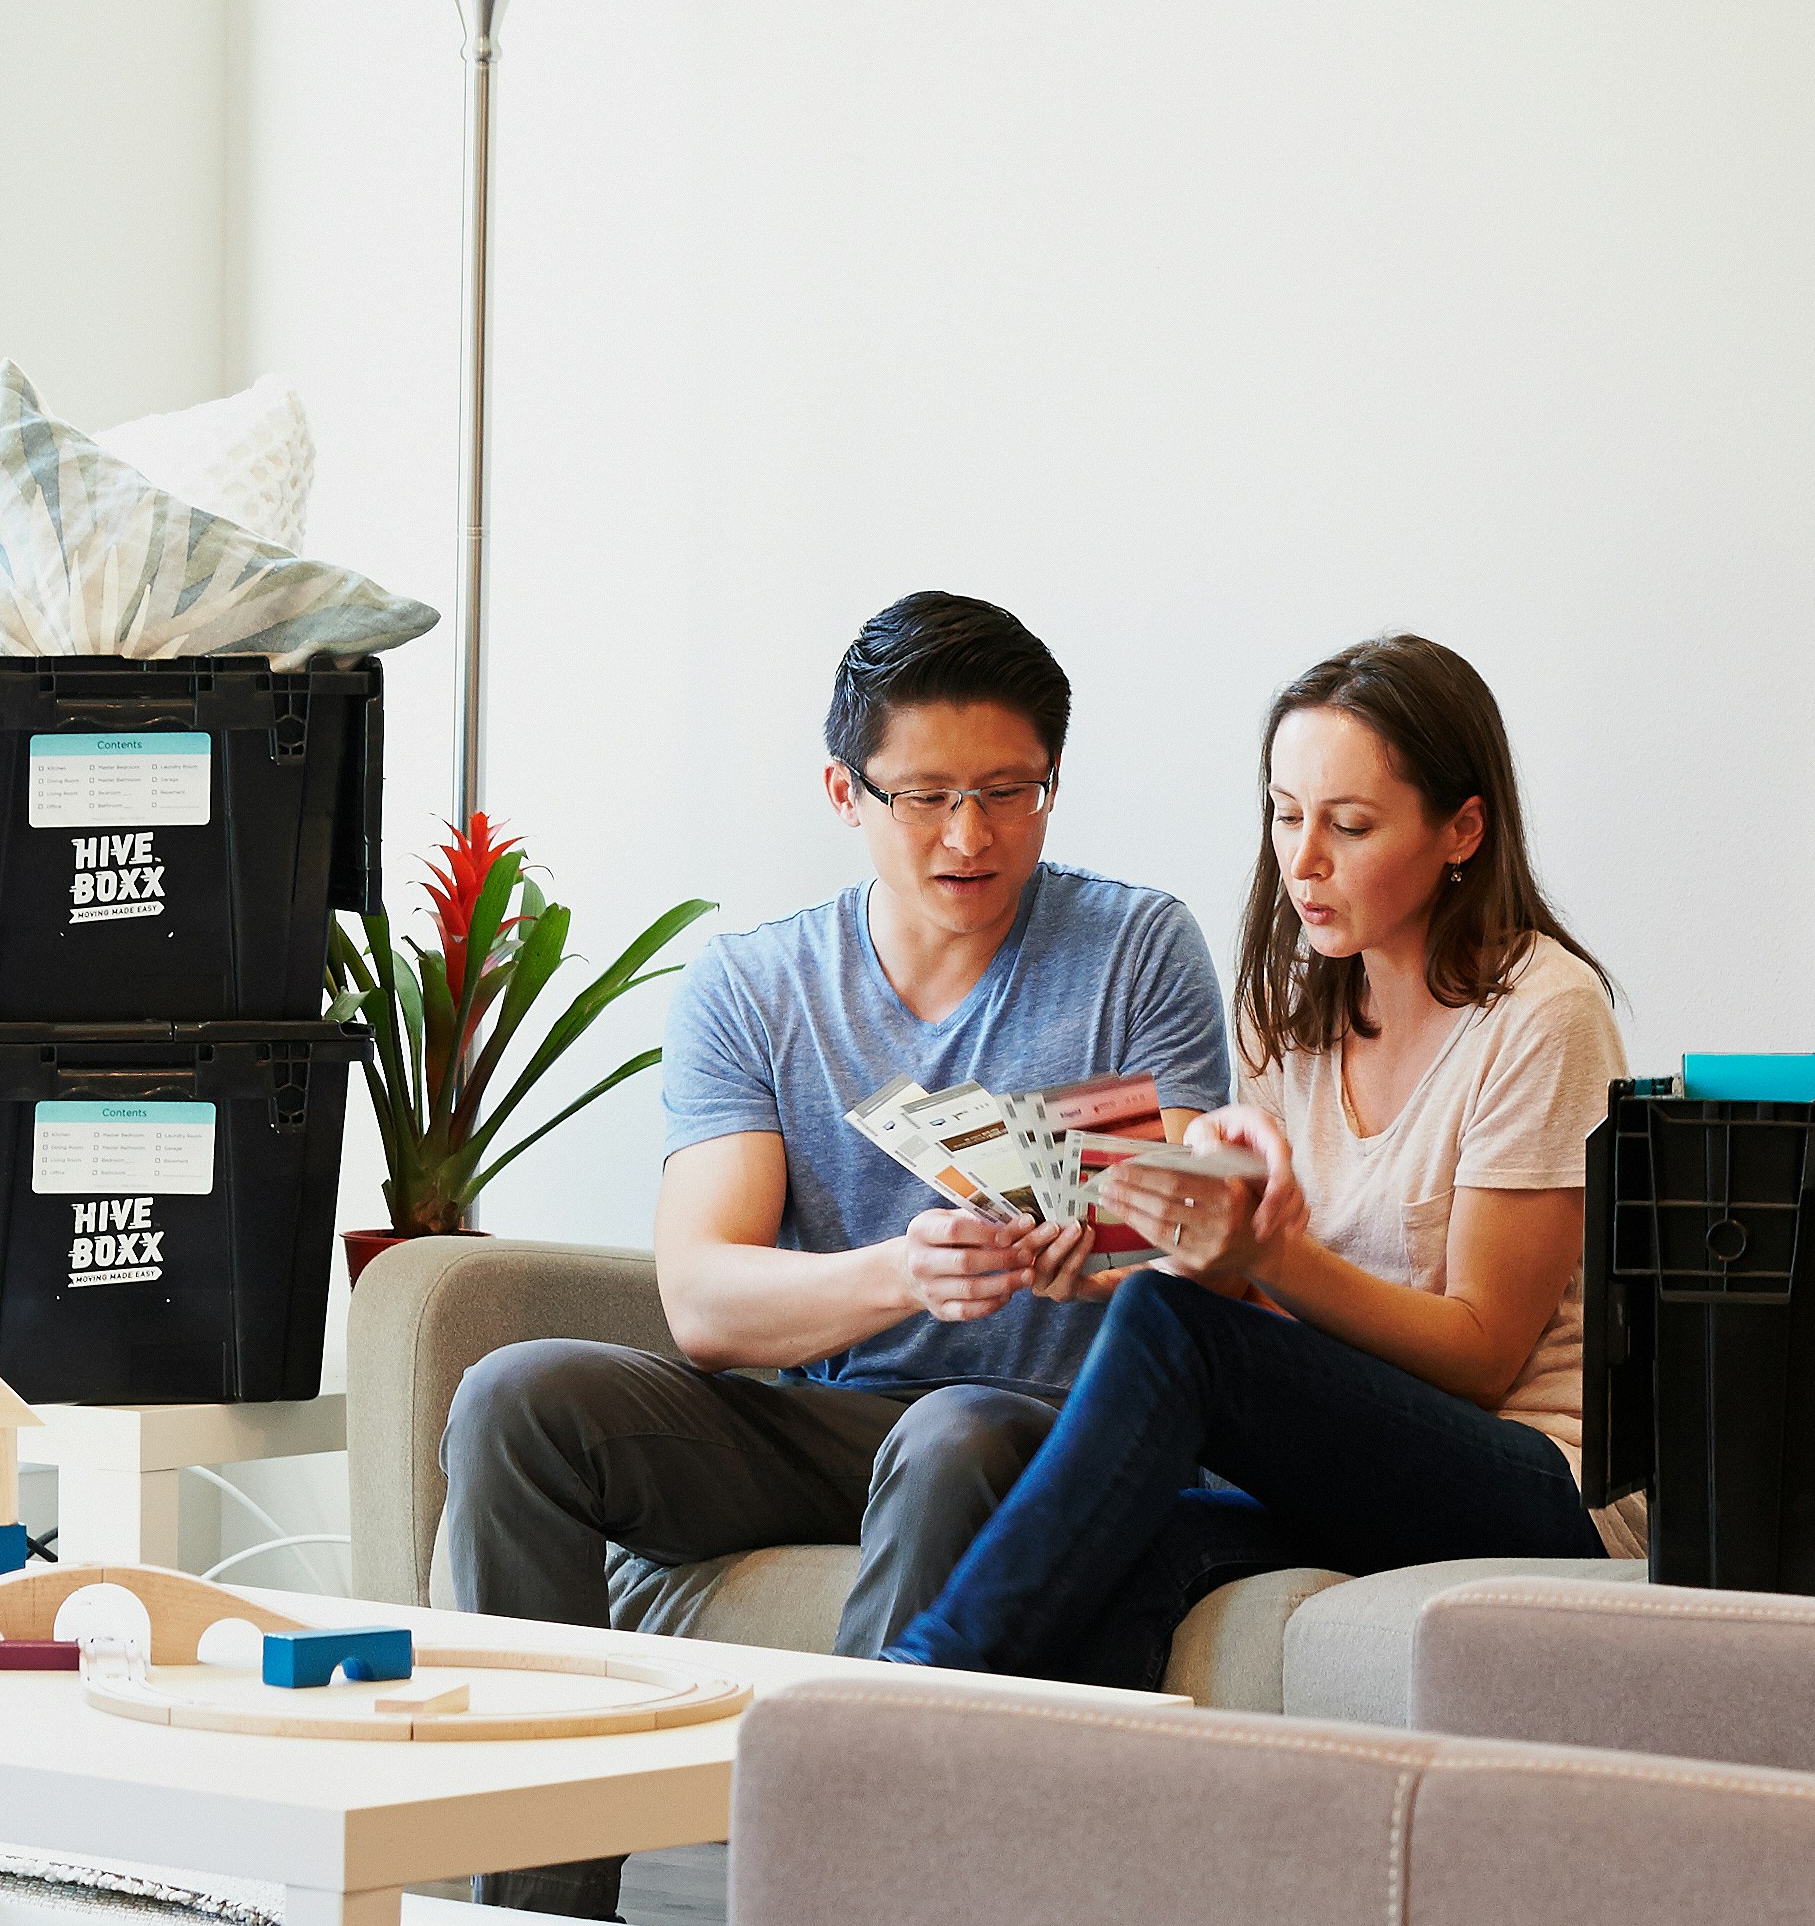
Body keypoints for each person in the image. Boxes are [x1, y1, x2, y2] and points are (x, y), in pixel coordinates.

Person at [439, 589, 1229, 1774]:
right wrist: (905, 1272)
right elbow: (704, 1303)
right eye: (925, 798)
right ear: (843, 793)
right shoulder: (756, 988)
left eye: (1010, 793)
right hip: (836, 1422)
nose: (970, 836)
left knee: (954, 1431)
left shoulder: (1137, 950)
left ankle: (827, 1862)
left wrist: (1104, 1267)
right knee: (517, 1397)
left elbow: (1195, 1248)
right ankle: (531, 1898)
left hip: (1050, 1428)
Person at [882, 632, 1635, 1688]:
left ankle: (905, 1688)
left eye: (1350, 824)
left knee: (1170, 1327)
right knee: (1116, 1544)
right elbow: (1252, 1313)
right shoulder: (1296, 1009)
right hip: (1375, 1457)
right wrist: (1126, 1242)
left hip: (1541, 1482)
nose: (1304, 859)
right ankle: (1002, 1818)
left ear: (1463, 828)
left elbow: (1481, 1354)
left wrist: (1263, 1256)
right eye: (1285, 814)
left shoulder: (1545, 1013)